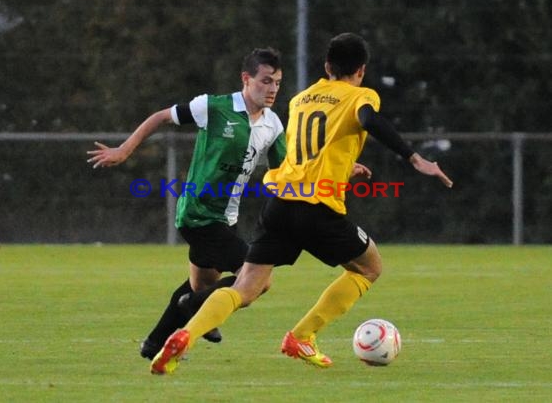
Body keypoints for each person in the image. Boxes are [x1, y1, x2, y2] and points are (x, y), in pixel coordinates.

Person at [149, 32, 453, 375]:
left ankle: (185, 335)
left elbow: (303, 154)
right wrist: (413, 158)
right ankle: (302, 335)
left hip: (279, 203)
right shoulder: (360, 95)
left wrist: (341, 169)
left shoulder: (301, 100)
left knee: (245, 286)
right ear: (361, 70)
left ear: (327, 67)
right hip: (317, 207)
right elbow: (369, 120)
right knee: (369, 268)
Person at [86, 47, 286, 359]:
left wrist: (335, 173)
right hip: (198, 214)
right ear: (246, 79)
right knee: (260, 279)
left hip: (226, 218)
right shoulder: (214, 107)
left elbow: (284, 171)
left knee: (201, 282)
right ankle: (199, 309)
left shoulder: (273, 124)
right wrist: (124, 150)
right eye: (266, 81)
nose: (272, 89)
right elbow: (161, 117)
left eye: (277, 82)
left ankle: (155, 342)